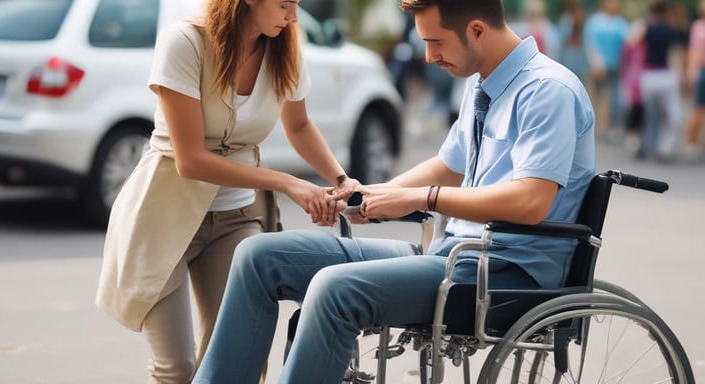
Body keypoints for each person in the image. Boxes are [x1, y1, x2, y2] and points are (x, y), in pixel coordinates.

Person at [193, 0, 595, 383]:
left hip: (506, 275)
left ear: (476, 30)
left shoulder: (547, 90)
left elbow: (530, 202)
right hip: (455, 258)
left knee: (334, 289)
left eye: (435, 42)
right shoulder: (484, 84)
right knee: (259, 256)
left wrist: (422, 198)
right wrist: (370, 195)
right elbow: (448, 166)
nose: (428, 56)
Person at [95, 0, 356, 383]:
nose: (294, 16)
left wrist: (340, 180)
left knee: (238, 365)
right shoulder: (185, 42)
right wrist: (287, 182)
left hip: (239, 219)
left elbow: (299, 126)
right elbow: (190, 160)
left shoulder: (284, 47)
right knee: (177, 369)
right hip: (166, 217)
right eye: (285, 4)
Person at [627, 1, 688, 161]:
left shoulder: (646, 27)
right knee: (668, 115)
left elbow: (632, 42)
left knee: (650, 114)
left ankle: (648, 144)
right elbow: (684, 43)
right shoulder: (670, 29)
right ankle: (662, 147)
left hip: (650, 74)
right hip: (664, 74)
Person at [584, 0, 630, 138]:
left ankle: (608, 123)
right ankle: (592, 124)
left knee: (612, 95)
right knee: (594, 95)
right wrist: (595, 62)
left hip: (615, 65)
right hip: (597, 65)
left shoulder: (620, 22)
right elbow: (589, 42)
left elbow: (628, 42)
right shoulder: (595, 21)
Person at [682, 0, 705, 160]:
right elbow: (695, 50)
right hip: (704, 70)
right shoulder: (699, 26)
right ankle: (692, 141)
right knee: (699, 108)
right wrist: (691, 73)